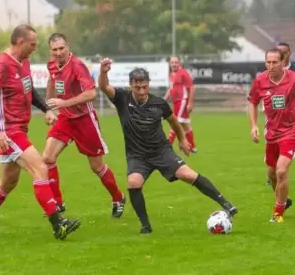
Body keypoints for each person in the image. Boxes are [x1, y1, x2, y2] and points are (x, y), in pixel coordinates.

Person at [98, 58, 237, 234]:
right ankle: (145, 226)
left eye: (144, 87)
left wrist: (182, 139)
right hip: (137, 155)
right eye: (137, 87)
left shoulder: (159, 103)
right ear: (130, 85)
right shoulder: (122, 99)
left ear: (148, 84)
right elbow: (104, 87)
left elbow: (174, 121)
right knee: (133, 183)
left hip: (161, 151)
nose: (141, 91)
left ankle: (225, 203)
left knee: (188, 174)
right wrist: (103, 71)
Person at [0, 25, 81, 240]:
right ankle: (58, 224)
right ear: (20, 43)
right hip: (8, 132)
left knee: (8, 183)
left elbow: (30, 91)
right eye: (32, 44)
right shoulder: (1, 65)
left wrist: (46, 109)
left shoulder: (24, 62)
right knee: (40, 167)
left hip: (19, 129)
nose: (35, 48)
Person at [43, 33, 126, 218]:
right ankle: (57, 202)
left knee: (97, 167)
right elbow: (51, 80)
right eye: (55, 49)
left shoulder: (77, 66)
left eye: (61, 48)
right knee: (47, 158)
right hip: (65, 119)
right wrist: (48, 107)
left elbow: (91, 94)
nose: (58, 53)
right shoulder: (52, 65)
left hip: (84, 120)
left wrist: (64, 103)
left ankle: (118, 197)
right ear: (50, 50)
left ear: (68, 46)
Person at [248, 48, 295, 223]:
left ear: (283, 62)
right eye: (268, 62)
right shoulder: (260, 80)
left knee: (281, 171)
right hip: (272, 133)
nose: (271, 65)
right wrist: (253, 126)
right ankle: (283, 200)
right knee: (272, 174)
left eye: (275, 62)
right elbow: (252, 102)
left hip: (292, 130)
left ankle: (278, 212)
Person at [164, 56, 197, 153]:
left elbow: (191, 87)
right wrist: (164, 99)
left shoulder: (183, 73)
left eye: (176, 62)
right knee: (186, 125)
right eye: (172, 62)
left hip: (182, 101)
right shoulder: (171, 75)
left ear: (179, 63)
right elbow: (170, 89)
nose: (174, 64)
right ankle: (193, 147)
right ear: (170, 64)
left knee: (175, 123)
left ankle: (167, 147)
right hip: (176, 103)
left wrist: (190, 103)